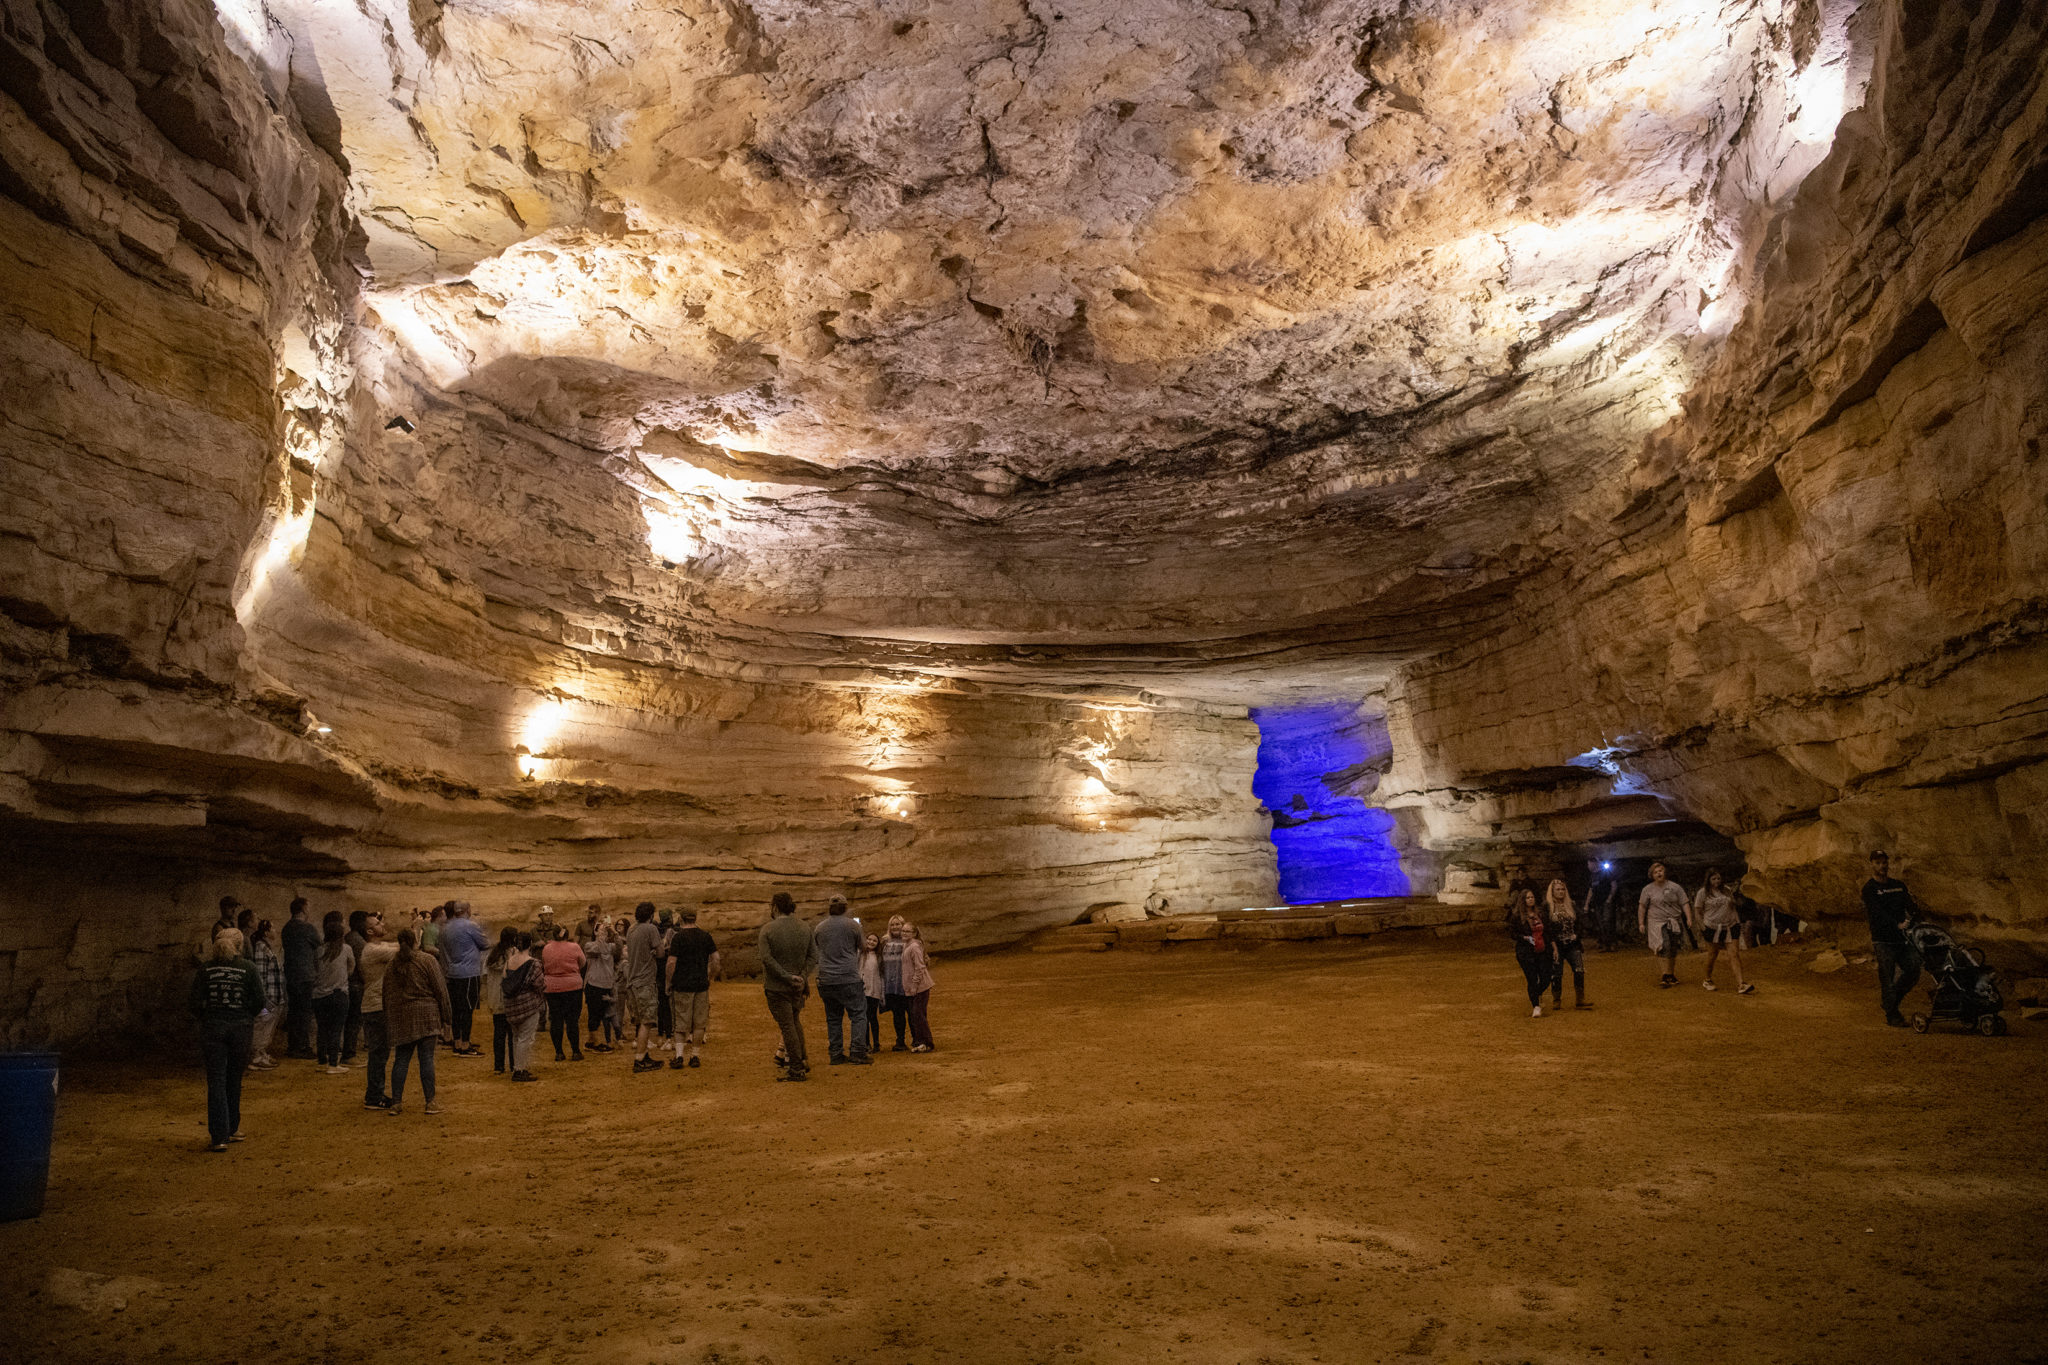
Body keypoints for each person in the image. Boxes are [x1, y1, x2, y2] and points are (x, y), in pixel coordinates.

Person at [191, 927, 264, 1151]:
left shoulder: (206, 969)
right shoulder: (248, 968)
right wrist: (246, 1015)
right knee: (234, 1077)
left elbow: (194, 1002)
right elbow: (259, 1000)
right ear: (239, 946)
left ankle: (219, 1136)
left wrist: (207, 1016)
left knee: (216, 1080)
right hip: (241, 1028)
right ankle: (233, 1127)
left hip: (213, 1027)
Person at [382, 929, 452, 1116]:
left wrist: (389, 1020)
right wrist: (447, 1018)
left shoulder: (392, 965)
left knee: (401, 1060)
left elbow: (386, 994)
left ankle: (396, 1103)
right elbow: (441, 991)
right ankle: (430, 1102)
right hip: (427, 1016)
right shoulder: (427, 960)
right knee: (426, 1059)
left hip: (402, 1018)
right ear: (416, 942)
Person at [758, 892, 817, 1081]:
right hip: (798, 987)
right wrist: (801, 976)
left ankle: (796, 1068)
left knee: (787, 1026)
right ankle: (803, 1059)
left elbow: (767, 959)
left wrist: (786, 976)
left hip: (777, 986)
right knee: (794, 1021)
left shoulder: (768, 929)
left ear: (775, 907)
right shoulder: (805, 927)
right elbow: (813, 956)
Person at [1863, 851, 1922, 1027]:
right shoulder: (1869, 889)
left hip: (1902, 939)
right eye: (1878, 863)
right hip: (1883, 940)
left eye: (1884, 862)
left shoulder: (1898, 886)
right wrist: (1896, 924)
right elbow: (1877, 913)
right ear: (1872, 864)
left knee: (1913, 969)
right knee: (1887, 977)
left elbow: (1910, 906)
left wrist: (1916, 920)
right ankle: (1892, 1015)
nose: (1882, 866)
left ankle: (1890, 1001)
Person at [813, 896, 872, 1067]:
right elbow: (863, 947)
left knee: (833, 1018)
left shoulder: (819, 927)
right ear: (845, 907)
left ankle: (836, 1054)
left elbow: (817, 949)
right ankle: (858, 1051)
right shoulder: (853, 925)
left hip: (826, 979)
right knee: (858, 1014)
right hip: (848, 977)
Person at [663, 910, 719, 1069]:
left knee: (681, 1022)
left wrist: (669, 981)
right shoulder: (705, 936)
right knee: (699, 1023)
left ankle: (679, 1056)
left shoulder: (678, 937)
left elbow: (671, 963)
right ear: (695, 919)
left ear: (681, 919)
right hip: (701, 985)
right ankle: (695, 1056)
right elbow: (716, 959)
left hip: (682, 985)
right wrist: (710, 977)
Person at [357, 914, 399, 1110]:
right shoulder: (372, 950)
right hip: (376, 1006)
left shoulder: (376, 947)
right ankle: (374, 1096)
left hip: (378, 1005)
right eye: (377, 923)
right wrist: (417, 930)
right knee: (378, 1054)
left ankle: (376, 1093)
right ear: (369, 931)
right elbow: (402, 949)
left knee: (381, 1053)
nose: (382, 924)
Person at [438, 901, 489, 1056]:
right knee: (467, 1010)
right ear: (468, 910)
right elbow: (485, 944)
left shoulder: (445, 928)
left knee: (456, 1009)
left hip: (452, 972)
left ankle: (457, 1042)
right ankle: (465, 1046)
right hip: (468, 973)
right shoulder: (470, 926)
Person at [1695, 868, 1755, 994]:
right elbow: (1698, 911)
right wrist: (1702, 927)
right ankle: (1707, 979)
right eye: (1713, 879)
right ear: (1708, 880)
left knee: (1734, 954)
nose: (1717, 881)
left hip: (1730, 925)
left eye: (1718, 878)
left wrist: (1737, 920)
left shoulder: (1726, 890)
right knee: (1712, 954)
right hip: (1712, 926)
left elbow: (1733, 905)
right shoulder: (1703, 893)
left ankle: (1741, 983)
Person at [622, 902, 665, 1072]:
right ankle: (639, 1059)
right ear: (651, 915)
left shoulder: (631, 929)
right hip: (645, 982)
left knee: (640, 1021)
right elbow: (660, 952)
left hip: (632, 982)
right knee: (647, 1022)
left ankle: (644, 1054)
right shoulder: (651, 929)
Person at [1637, 861, 1693, 989]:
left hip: (1673, 920)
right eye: (1655, 872)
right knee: (1663, 945)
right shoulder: (1648, 889)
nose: (1659, 874)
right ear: (1652, 875)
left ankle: (1670, 974)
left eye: (1660, 871)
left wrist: (1689, 918)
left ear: (1665, 872)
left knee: (1672, 947)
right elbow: (1642, 906)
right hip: (1657, 921)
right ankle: (1665, 974)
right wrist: (1641, 923)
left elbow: (1684, 902)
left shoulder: (1675, 887)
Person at [312, 917, 356, 1073]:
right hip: (338, 993)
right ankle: (333, 1064)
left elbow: (315, 969)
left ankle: (322, 1061)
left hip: (319, 995)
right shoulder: (346, 949)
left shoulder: (318, 950)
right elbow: (351, 968)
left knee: (322, 1029)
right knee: (336, 1029)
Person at [501, 932, 545, 1081]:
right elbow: (539, 984)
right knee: (526, 1039)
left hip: (511, 1006)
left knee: (516, 1037)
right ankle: (520, 1070)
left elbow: (504, 979)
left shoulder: (509, 961)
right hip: (528, 1005)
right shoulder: (534, 963)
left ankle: (518, 1067)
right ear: (530, 944)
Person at [541, 925, 588, 1062]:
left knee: (556, 1020)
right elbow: (583, 963)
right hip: (572, 987)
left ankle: (559, 1052)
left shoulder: (546, 948)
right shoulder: (574, 947)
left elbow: (544, 964)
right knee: (572, 1020)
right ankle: (575, 1051)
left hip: (552, 988)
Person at [281, 897, 320, 1059]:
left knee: (293, 1011)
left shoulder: (286, 928)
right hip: (305, 975)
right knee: (305, 1013)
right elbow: (319, 944)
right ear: (303, 909)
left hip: (291, 974)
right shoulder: (307, 928)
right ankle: (303, 1047)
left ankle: (293, 1045)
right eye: (308, 907)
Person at [1544, 879, 1591, 1009]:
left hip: (1572, 944)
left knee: (1579, 970)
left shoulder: (1572, 905)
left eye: (1563, 889)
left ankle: (1580, 999)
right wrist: (1552, 943)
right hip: (1556, 945)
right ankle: (1556, 999)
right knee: (1557, 973)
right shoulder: (1547, 907)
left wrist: (1577, 935)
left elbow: (1580, 922)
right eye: (1558, 889)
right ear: (1552, 892)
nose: (1561, 892)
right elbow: (1547, 927)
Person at [1504, 889, 1551, 1017]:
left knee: (1546, 977)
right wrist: (1524, 938)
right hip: (1526, 953)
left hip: (1541, 950)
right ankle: (1536, 1005)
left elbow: (1547, 931)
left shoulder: (1540, 914)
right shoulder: (1517, 917)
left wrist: (1551, 946)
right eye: (1528, 898)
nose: (1530, 899)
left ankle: (1537, 993)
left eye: (1532, 897)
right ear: (1523, 900)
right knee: (1532, 979)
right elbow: (1512, 933)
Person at [247, 920, 285, 1070]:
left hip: (273, 996)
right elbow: (261, 974)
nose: (275, 931)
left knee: (268, 1026)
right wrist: (264, 998)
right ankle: (256, 1056)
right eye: (272, 928)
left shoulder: (266, 947)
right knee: (262, 1024)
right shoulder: (261, 948)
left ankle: (262, 1052)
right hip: (268, 998)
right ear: (266, 932)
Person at [483, 928, 516, 1073]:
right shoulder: (512, 954)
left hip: (496, 999)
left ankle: (498, 1065)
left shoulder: (493, 955)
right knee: (513, 1034)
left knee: (499, 1034)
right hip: (509, 998)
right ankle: (514, 1064)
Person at [584, 921, 619, 1053]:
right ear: (595, 932)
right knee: (594, 1013)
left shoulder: (611, 946)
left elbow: (619, 949)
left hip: (606, 984)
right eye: (601, 930)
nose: (604, 932)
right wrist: (601, 937)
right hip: (594, 984)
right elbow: (600, 949)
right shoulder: (589, 945)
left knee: (600, 1014)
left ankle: (591, 1041)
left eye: (605, 930)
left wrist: (614, 933)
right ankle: (595, 1042)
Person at [902, 923, 937, 1053]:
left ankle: (927, 1043)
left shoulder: (914, 947)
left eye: (907, 931)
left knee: (918, 1015)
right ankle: (920, 1042)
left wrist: (914, 985)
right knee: (916, 1015)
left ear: (914, 933)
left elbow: (920, 968)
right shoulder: (907, 945)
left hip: (920, 987)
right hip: (913, 987)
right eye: (903, 931)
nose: (904, 933)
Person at [342, 910, 370, 1062]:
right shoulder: (359, 941)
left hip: (348, 983)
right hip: (356, 984)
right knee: (354, 1020)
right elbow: (362, 966)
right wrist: (368, 982)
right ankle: (349, 1053)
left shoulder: (348, 937)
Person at [881, 917, 911, 1051]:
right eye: (892, 924)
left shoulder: (909, 941)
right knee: (897, 1014)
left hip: (907, 984)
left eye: (898, 924)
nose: (895, 927)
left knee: (912, 1013)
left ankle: (917, 1039)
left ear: (903, 925)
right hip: (892, 985)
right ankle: (900, 1041)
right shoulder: (885, 942)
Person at [1582, 858, 1621, 951]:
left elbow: (1614, 885)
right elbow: (1591, 890)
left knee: (1608, 922)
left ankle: (1612, 943)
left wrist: (1609, 898)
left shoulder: (1606, 873)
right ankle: (1605, 944)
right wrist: (1587, 904)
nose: (1588, 866)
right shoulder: (1592, 876)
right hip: (1597, 903)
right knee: (1601, 923)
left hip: (1606, 902)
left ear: (1594, 863)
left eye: (1589, 864)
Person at [859, 932, 884, 1056]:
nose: (871, 942)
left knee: (872, 1017)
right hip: (862, 990)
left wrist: (881, 992)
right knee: (864, 1018)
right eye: (869, 939)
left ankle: (876, 1043)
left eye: (874, 941)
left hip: (874, 990)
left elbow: (881, 975)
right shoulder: (860, 954)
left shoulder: (879, 957)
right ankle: (866, 1043)